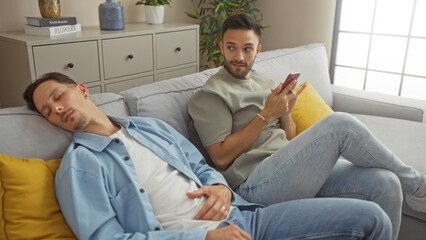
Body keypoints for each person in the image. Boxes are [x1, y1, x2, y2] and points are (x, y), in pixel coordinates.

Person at [22, 72, 392, 240]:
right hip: (205, 237)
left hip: (248, 215)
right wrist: (204, 238)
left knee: (372, 217)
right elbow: (107, 239)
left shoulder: (147, 127)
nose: (56, 110)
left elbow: (201, 164)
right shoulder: (79, 166)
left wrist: (221, 188)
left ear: (81, 90)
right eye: (47, 111)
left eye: (58, 97)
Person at [188, 13, 426, 240]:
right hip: (254, 184)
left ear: (258, 50)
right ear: (221, 47)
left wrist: (286, 112)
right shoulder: (211, 94)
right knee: (339, 124)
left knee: (387, 183)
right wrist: (267, 113)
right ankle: (417, 185)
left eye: (247, 49)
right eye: (231, 47)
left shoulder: (266, 84)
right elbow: (220, 157)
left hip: (291, 170)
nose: (239, 56)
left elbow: (288, 138)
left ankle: (408, 186)